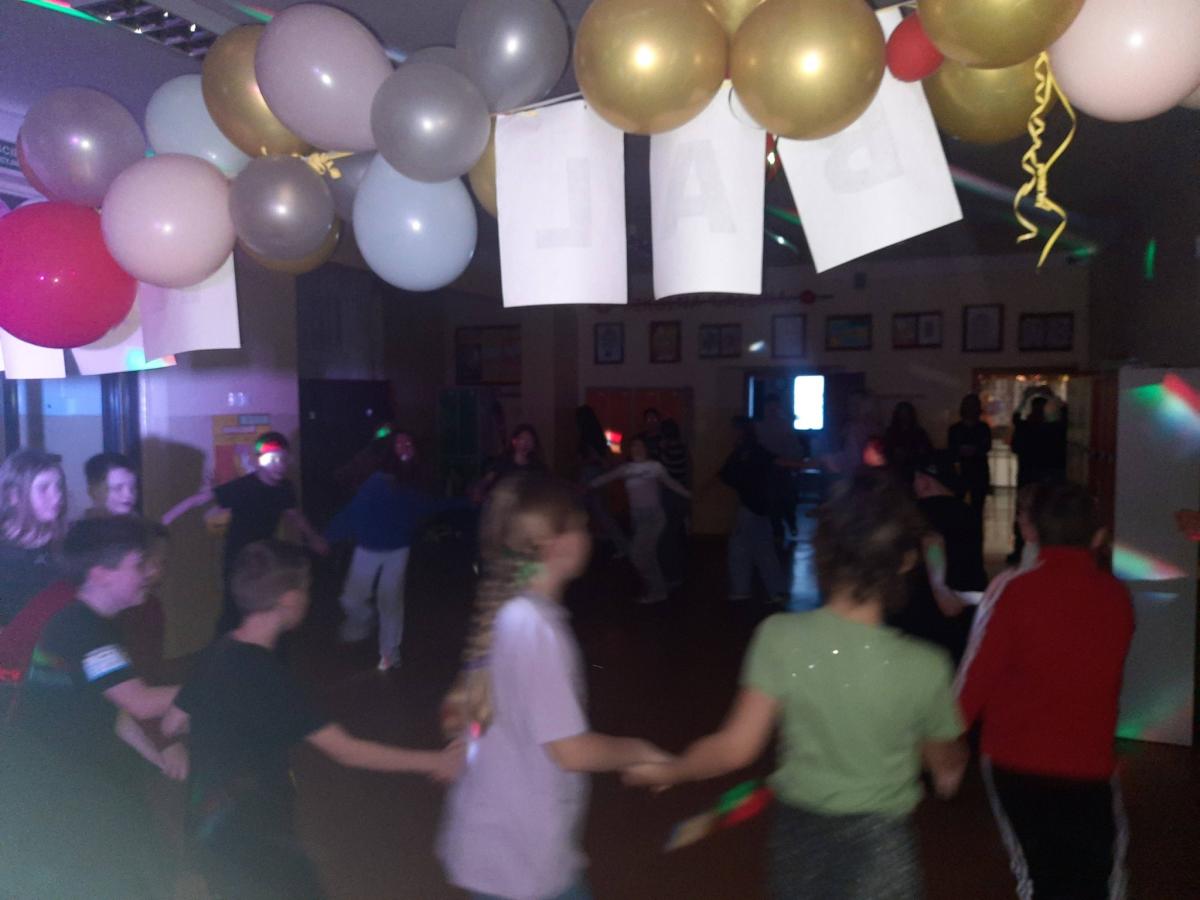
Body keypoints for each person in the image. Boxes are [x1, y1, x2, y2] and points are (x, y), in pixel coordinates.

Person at [625, 471, 967, 899]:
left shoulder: (781, 637)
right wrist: (942, 759)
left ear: (823, 552)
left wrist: (673, 769)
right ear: (904, 562)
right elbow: (947, 768)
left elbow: (735, 747)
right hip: (881, 849)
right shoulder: (925, 665)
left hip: (800, 841)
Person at [161, 540, 461, 900]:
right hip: (254, 831)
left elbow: (172, 722)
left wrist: (188, 739)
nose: (309, 597)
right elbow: (347, 751)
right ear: (288, 600)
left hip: (208, 825)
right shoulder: (270, 678)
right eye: (307, 589)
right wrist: (436, 761)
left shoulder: (219, 651)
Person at [438, 475, 671, 900]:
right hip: (522, 856)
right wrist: (639, 750)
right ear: (553, 544)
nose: (589, 533)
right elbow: (570, 750)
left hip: (500, 843)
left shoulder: (511, 613)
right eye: (580, 525)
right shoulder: (536, 628)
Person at [957, 482, 1133, 900]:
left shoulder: (1013, 592)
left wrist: (944, 735)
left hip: (1013, 760)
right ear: (1098, 536)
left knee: (1038, 877)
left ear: (1034, 530)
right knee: (1097, 879)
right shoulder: (1117, 598)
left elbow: (974, 681)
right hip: (1089, 763)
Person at [1, 516, 185, 897]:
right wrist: (213, 686)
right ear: (101, 573)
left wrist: (156, 754)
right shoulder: (79, 627)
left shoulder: (95, 624)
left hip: (66, 776)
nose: (149, 573)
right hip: (49, 783)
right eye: (139, 564)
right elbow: (138, 701)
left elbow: (111, 710)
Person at [326, 430, 470, 671]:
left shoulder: (414, 482)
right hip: (368, 548)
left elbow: (430, 506)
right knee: (351, 599)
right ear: (391, 451)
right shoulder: (377, 481)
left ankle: (390, 653)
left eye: (408, 442)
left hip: (398, 550)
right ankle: (365, 619)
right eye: (399, 443)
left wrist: (465, 502)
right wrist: (328, 536)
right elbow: (354, 511)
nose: (405, 445)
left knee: (390, 601)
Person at [162, 432, 328, 635]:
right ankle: (222, 649)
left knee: (263, 607)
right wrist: (165, 520)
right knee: (232, 611)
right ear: (257, 461)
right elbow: (198, 500)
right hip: (237, 559)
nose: (278, 465)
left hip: (264, 559)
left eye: (283, 458)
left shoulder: (285, 488)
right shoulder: (243, 487)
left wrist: (313, 538)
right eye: (270, 459)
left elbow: (295, 515)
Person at [889, 453, 987, 664]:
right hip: (960, 623)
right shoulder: (968, 514)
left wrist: (939, 586)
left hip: (918, 622)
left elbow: (931, 541)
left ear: (924, 481)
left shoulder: (915, 514)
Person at [589, 436, 691, 604]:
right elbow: (605, 478)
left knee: (637, 555)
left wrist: (689, 495)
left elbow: (671, 483)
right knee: (647, 554)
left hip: (654, 517)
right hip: (637, 517)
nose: (636, 449)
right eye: (633, 446)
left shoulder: (655, 467)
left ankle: (657, 589)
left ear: (646, 449)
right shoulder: (626, 469)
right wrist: (587, 486)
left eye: (640, 445)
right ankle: (659, 589)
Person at [718, 418, 798, 605]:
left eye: (733, 430)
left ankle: (742, 590)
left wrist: (808, 465)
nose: (730, 433)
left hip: (751, 507)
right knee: (763, 549)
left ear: (740, 431)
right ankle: (777, 591)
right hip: (759, 507)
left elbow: (726, 474)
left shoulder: (747, 451)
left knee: (740, 550)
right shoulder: (748, 450)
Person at [0, 449, 67, 626]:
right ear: (13, 496)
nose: (57, 496)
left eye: (58, 486)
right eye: (44, 488)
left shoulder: (67, 541)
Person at [1009, 391, 1068, 563]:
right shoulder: (1054, 428)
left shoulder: (1025, 427)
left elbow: (1016, 418)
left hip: (1028, 475)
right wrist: (1052, 395)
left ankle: (1020, 549)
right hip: (1050, 476)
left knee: (1024, 511)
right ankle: (1048, 548)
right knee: (1048, 511)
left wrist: (1025, 398)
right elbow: (1065, 414)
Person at [574, 405, 629, 558]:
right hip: (597, 475)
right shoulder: (599, 435)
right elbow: (606, 458)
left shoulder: (586, 437)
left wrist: (585, 462)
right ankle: (620, 543)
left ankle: (619, 544)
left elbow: (593, 459)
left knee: (586, 512)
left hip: (589, 474)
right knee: (600, 513)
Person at [947, 394, 992, 525]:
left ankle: (975, 529)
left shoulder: (983, 428)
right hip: (961, 471)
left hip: (979, 471)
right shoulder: (955, 429)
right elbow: (952, 449)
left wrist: (975, 451)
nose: (971, 409)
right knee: (957, 505)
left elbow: (986, 447)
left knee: (978, 506)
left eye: (973, 406)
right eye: (968, 406)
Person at [657, 419, 691, 589]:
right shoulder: (682, 447)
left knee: (666, 537)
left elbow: (666, 472)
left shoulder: (667, 448)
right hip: (681, 494)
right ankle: (678, 573)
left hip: (670, 495)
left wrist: (661, 451)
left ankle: (672, 576)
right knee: (674, 535)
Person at [477, 423, 548, 498]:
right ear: (514, 441)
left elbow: (545, 485)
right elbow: (487, 480)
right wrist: (480, 489)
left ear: (534, 444)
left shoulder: (537, 466)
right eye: (522, 439)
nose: (525, 443)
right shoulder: (503, 461)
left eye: (530, 440)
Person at [883, 402, 933, 488]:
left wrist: (912, 453)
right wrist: (894, 453)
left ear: (911, 415)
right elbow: (886, 450)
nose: (904, 416)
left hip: (914, 468)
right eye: (901, 413)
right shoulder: (891, 432)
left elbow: (928, 450)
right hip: (896, 468)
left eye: (906, 413)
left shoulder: (918, 432)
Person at [84, 451, 139, 518]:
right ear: (93, 492)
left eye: (132, 488)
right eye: (118, 488)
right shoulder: (84, 524)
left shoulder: (142, 524)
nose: (128, 495)